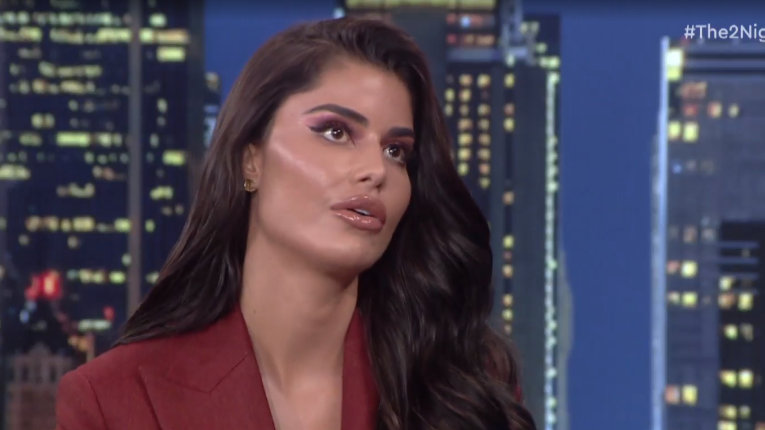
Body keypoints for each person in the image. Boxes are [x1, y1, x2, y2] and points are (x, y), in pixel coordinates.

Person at [55, 17, 536, 430]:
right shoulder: (114, 400)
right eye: (336, 131)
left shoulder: (466, 387)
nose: (376, 169)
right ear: (251, 159)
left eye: (396, 151)